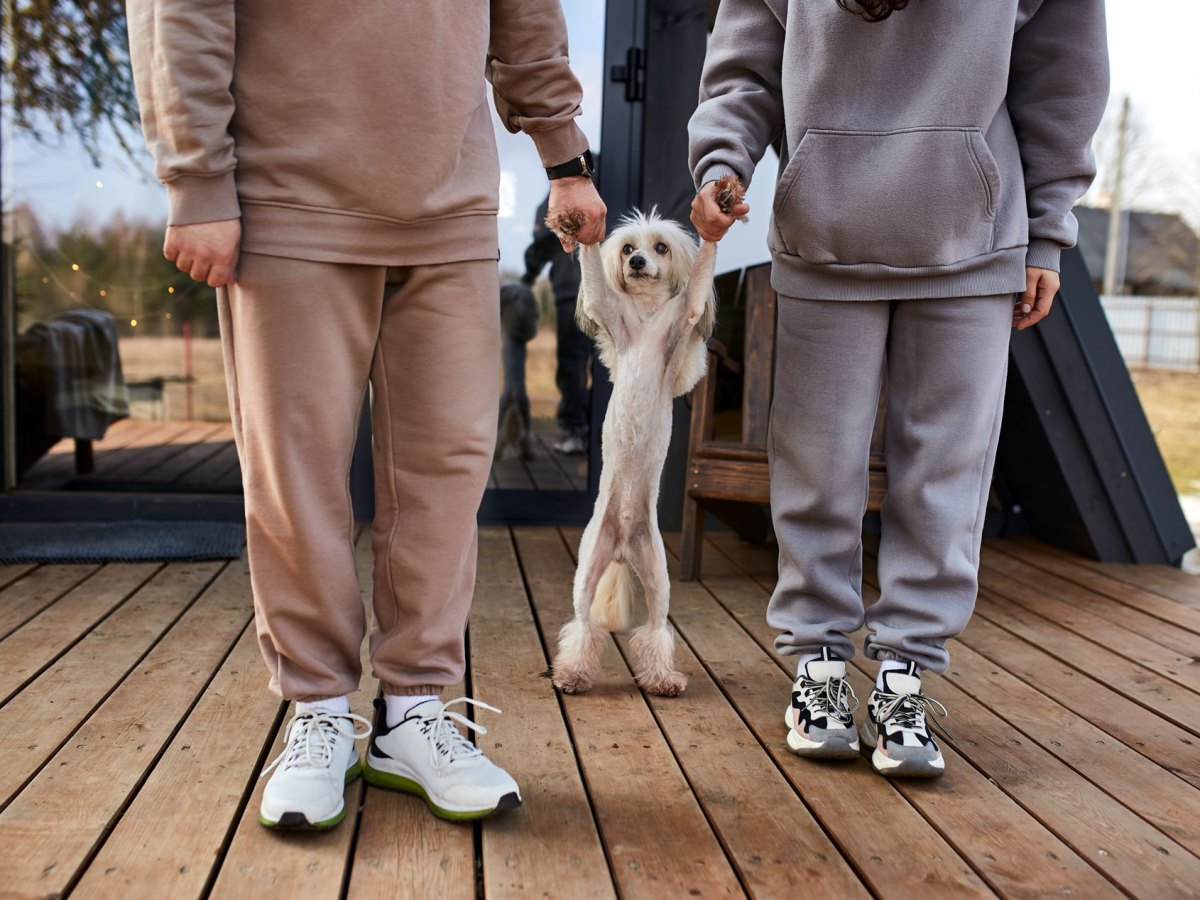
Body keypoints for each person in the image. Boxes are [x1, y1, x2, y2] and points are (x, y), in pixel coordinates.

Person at [127, 0, 605, 827]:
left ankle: (413, 712)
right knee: (297, 472)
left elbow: (522, 8)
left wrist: (564, 154)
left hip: (449, 198)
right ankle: (317, 712)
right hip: (287, 194)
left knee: (447, 467)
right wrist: (197, 176)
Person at [688, 0, 1107, 777]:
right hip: (824, 234)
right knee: (816, 462)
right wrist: (723, 160)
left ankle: (903, 676)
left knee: (945, 473)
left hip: (974, 240)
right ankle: (817, 665)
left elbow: (1064, 74)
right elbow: (745, 59)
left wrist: (1049, 229)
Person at [525, 193, 593, 455]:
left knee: (572, 362)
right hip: (605, 287)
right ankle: (590, 425)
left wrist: (529, 273)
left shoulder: (560, 190)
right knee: (604, 363)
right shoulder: (612, 177)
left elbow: (543, 239)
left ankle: (574, 429)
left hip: (572, 288)